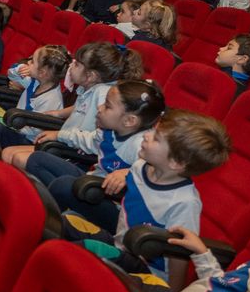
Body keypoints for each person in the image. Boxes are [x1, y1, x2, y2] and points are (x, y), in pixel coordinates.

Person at [62, 109, 231, 291]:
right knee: (62, 223)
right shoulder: (140, 166)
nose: (146, 135)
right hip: (119, 243)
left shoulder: (184, 203)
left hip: (146, 269)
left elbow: (179, 253)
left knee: (81, 249)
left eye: (156, 138)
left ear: (175, 162)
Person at [33, 80, 166, 228]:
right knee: (37, 160)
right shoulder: (108, 130)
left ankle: (49, 221)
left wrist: (129, 173)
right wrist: (59, 135)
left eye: (107, 106)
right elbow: (89, 141)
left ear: (129, 120)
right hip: (93, 183)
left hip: (115, 205)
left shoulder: (143, 144)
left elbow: (159, 173)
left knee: (63, 186)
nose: (99, 107)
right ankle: (57, 209)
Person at [3, 42, 142, 171]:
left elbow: (102, 134)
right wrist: (59, 113)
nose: (71, 65)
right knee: (8, 153)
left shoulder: (102, 94)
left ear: (90, 76)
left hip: (73, 153)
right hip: (65, 142)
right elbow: (81, 108)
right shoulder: (87, 89)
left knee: (15, 157)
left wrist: (59, 135)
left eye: (77, 64)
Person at [0, 44, 69, 147]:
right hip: (15, 123)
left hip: (25, 139)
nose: (28, 62)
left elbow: (35, 129)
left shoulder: (51, 99)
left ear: (42, 72)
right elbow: (12, 76)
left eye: (32, 62)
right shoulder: (36, 82)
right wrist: (20, 69)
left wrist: (11, 125)